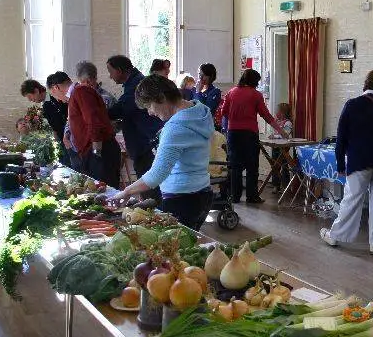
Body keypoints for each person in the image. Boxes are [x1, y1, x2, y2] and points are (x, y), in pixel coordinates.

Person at [110, 75, 214, 231]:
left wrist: (126, 192)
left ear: (162, 98)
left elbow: (156, 175)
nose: (150, 113)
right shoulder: (200, 111)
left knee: (175, 250)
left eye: (149, 106)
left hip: (181, 198)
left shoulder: (174, 128)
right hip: (203, 193)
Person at [319, 70, 373, 255]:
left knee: (352, 198)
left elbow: (341, 137)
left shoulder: (352, 105)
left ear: (365, 84)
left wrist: (340, 165)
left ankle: (336, 236)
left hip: (359, 160)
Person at [220, 69, 287, 204]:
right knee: (252, 166)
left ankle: (235, 196)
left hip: (233, 133)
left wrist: (234, 120)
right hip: (249, 134)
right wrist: (281, 131)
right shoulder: (256, 95)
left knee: (235, 166)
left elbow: (224, 112)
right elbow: (266, 115)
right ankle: (252, 196)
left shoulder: (231, 93)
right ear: (254, 81)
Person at [47, 71, 122, 188]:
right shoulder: (76, 94)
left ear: (56, 87)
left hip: (100, 150)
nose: (59, 100)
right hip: (92, 151)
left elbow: (93, 120)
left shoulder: (81, 91)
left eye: (54, 95)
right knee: (94, 193)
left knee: (105, 192)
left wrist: (96, 153)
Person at [106, 55, 164, 196]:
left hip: (145, 144)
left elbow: (120, 109)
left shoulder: (136, 84)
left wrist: (95, 111)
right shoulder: (133, 82)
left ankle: (153, 216)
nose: (110, 76)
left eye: (110, 71)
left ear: (120, 70)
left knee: (149, 190)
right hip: (143, 143)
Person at [20, 79, 70, 167]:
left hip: (67, 139)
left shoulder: (51, 100)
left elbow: (58, 123)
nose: (31, 100)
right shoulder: (47, 101)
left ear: (36, 91)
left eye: (30, 97)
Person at [269, 102, 294, 190]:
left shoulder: (288, 123)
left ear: (282, 112)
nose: (275, 113)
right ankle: (276, 185)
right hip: (276, 146)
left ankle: (285, 185)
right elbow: (275, 132)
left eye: (277, 111)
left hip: (284, 146)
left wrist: (274, 136)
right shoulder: (277, 122)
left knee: (284, 165)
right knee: (275, 165)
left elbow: (286, 134)